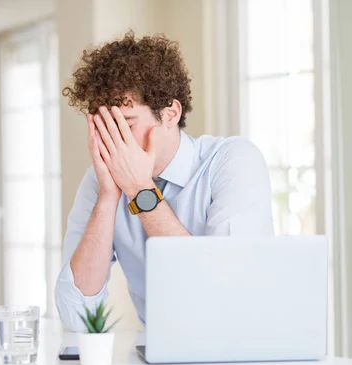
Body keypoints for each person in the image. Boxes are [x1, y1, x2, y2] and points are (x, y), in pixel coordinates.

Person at [55, 31, 273, 331]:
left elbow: (223, 297)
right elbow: (76, 316)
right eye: (102, 126)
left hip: (239, 351)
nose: (110, 139)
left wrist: (139, 189)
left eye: (125, 124)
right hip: (157, 358)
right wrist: (108, 197)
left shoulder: (233, 162)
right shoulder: (100, 182)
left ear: (170, 114)